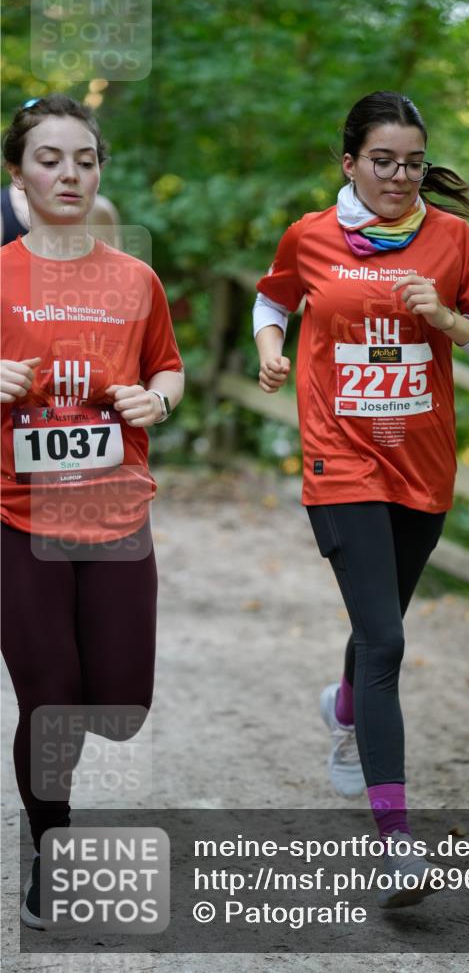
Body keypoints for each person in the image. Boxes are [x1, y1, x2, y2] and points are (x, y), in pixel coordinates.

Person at [253, 91, 469, 908]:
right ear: (350, 163)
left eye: (411, 162)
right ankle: (397, 845)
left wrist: (448, 321)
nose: (399, 176)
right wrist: (271, 344)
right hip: (340, 462)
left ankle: (339, 706)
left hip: (421, 465)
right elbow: (272, 297)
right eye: (382, 161)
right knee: (388, 642)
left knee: (378, 631)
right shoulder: (310, 236)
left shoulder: (453, 241)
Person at [0, 94, 184, 929]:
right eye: (49, 158)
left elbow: (168, 370)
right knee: (50, 698)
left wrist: (157, 400)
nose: (69, 173)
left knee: (119, 700)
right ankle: (53, 852)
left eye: (84, 159)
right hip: (16, 519)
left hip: (117, 520)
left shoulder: (134, 278)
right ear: (18, 173)